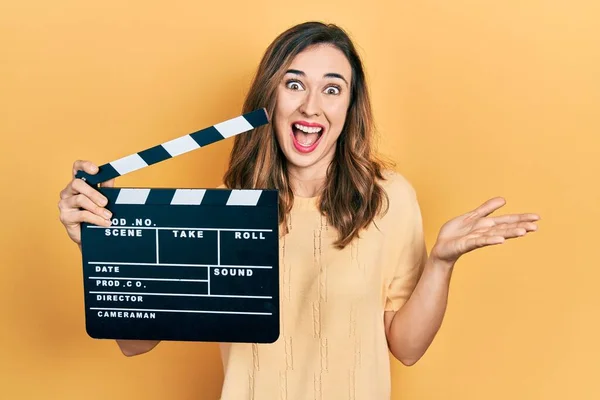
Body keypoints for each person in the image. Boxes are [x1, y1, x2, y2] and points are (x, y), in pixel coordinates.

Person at [58, 21, 539, 399]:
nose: (312, 106)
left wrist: (441, 262)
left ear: (350, 107)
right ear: (269, 97)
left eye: (332, 88)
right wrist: (102, 248)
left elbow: (406, 348)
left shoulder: (389, 198)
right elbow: (134, 341)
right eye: (294, 84)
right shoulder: (225, 208)